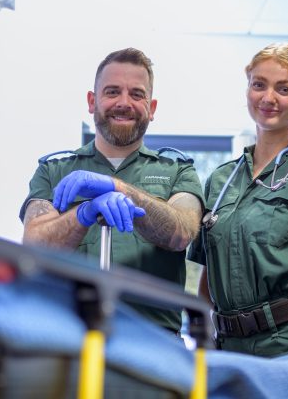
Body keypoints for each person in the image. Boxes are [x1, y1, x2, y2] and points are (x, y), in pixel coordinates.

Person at [187, 43, 288, 399]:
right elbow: (208, 281)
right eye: (259, 84)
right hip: (229, 349)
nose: (268, 98)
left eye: (284, 88)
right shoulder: (222, 179)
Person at [19, 47, 204, 333]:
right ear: (92, 101)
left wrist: (120, 189)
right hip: (67, 334)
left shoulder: (178, 171)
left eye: (137, 94)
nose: (124, 103)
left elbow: (182, 232)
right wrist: (83, 213)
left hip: (152, 340)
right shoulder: (53, 171)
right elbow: (34, 246)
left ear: (152, 108)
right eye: (112, 92)